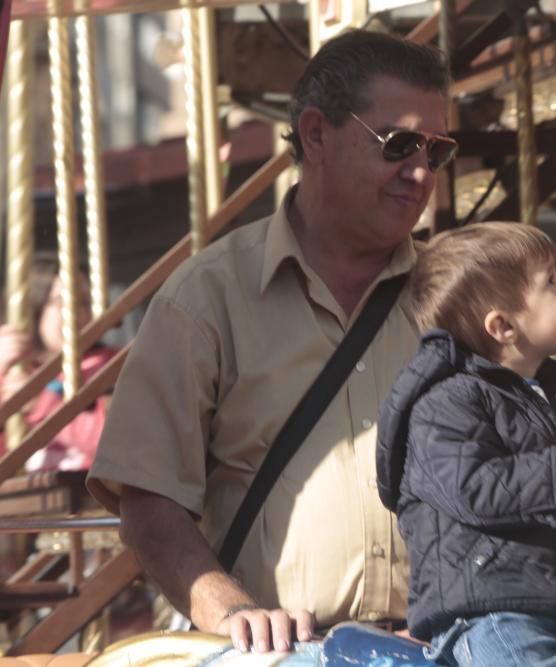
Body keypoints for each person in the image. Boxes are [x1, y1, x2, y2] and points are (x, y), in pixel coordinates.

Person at [86, 29, 458, 653]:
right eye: (398, 144)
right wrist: (229, 608)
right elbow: (149, 500)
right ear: (315, 134)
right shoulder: (206, 298)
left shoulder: (454, 294)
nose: (420, 172)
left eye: (435, 150)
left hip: (438, 646)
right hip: (283, 652)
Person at [376, 222, 556, 666]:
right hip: (492, 614)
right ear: (503, 326)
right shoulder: (445, 400)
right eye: (552, 282)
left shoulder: (551, 388)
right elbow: (477, 489)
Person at [0, 261, 116, 471]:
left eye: (85, 302)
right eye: (64, 301)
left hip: (89, 496)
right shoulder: (9, 371)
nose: (78, 313)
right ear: (34, 307)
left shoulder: (110, 365)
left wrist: (44, 405)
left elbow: (118, 443)